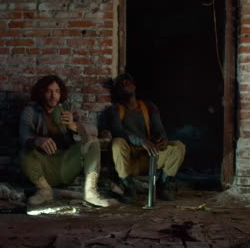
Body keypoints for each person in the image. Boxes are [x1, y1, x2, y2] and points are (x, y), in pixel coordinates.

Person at [19, 75, 118, 207]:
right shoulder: (31, 111)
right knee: (24, 151)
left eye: (57, 91)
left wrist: (74, 125)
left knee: (93, 142)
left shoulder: (66, 108)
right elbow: (23, 136)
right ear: (41, 92)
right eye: (49, 91)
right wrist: (38, 140)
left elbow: (92, 132)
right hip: (45, 165)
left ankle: (90, 193)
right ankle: (44, 190)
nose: (53, 96)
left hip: (66, 162)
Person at [108, 73, 186, 202]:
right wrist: (142, 141)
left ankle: (164, 184)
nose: (125, 83)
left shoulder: (149, 107)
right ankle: (128, 186)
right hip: (128, 159)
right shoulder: (115, 109)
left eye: (128, 81)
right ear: (117, 91)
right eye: (121, 83)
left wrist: (163, 140)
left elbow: (160, 130)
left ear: (134, 85)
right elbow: (118, 132)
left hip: (149, 157)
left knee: (178, 146)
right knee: (117, 142)